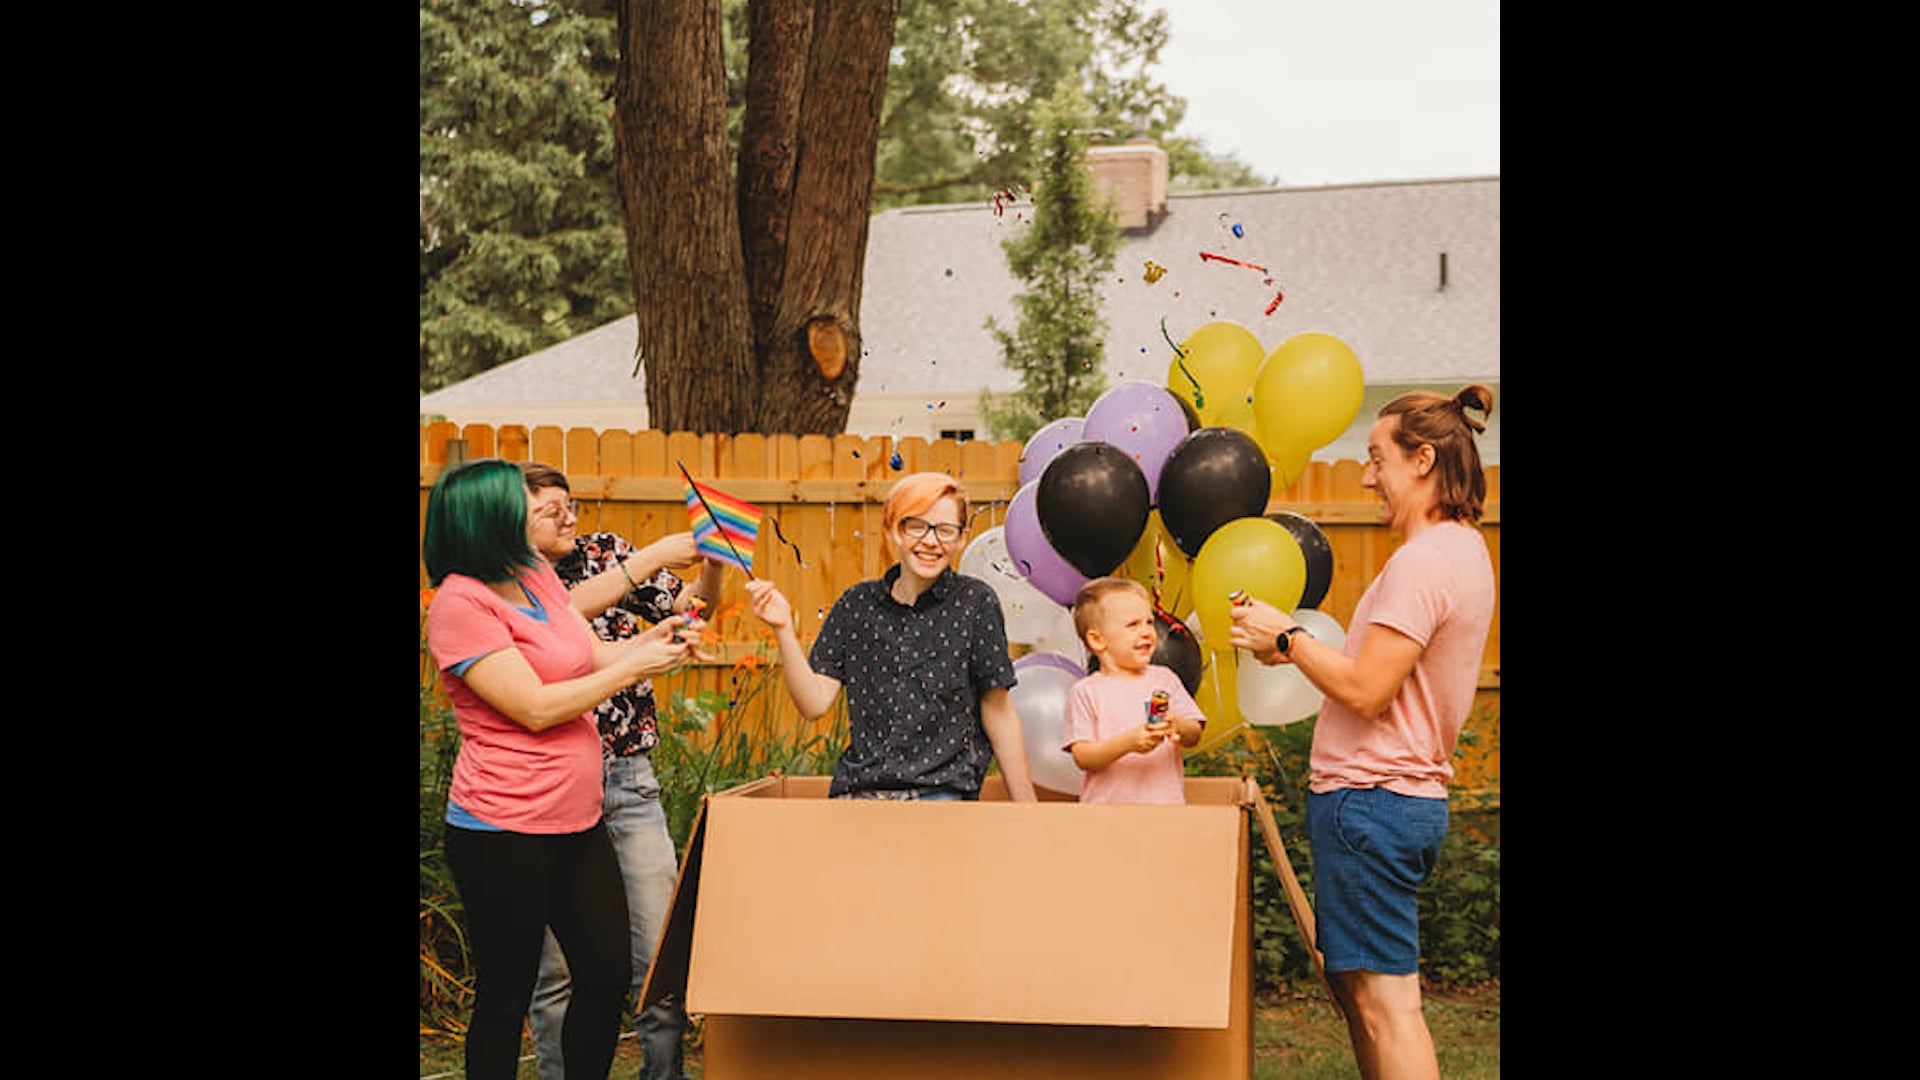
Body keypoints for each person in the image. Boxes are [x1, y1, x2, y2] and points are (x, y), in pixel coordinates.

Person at [1228, 385, 1496, 1080]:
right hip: (1391, 801)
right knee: (1365, 1001)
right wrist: (1292, 648)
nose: (1368, 478)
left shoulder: (1423, 561)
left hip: (1372, 801)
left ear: (1423, 459)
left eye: (1378, 459)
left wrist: (1286, 636)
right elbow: (1381, 675)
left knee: (1387, 1007)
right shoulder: (1463, 551)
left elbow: (1368, 691)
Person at [422, 458, 706, 1080]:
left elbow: (588, 656)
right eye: (518, 502)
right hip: (503, 830)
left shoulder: (531, 576)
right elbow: (535, 707)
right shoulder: (459, 605)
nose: (537, 512)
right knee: (506, 991)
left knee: (605, 972)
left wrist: (657, 641)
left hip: (578, 820)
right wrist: (633, 670)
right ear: (484, 516)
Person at [518, 463, 726, 1080]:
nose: (569, 518)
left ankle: (664, 1073)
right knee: (555, 970)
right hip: (549, 789)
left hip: (627, 779)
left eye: (571, 505)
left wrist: (714, 561)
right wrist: (654, 554)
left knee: (655, 952)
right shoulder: (508, 579)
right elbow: (558, 613)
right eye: (551, 510)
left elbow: (691, 610)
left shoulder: (604, 551)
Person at [743, 471, 1038, 802]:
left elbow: (998, 710)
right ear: (892, 530)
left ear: (961, 538)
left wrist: (1028, 811)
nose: (931, 541)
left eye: (945, 530)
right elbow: (813, 704)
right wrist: (783, 628)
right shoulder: (856, 605)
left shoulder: (975, 602)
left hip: (942, 796)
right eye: (916, 526)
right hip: (859, 795)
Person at [1059, 577, 1205, 804]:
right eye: (1133, 625)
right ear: (1097, 640)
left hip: (1166, 811)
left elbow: (1194, 733)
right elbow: (1083, 756)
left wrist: (1178, 724)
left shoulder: (1165, 679)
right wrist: (1128, 743)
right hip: (1106, 814)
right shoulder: (1086, 692)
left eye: (1149, 622)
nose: (1147, 631)